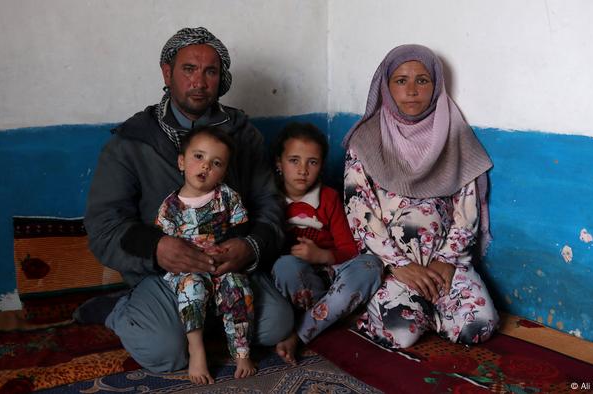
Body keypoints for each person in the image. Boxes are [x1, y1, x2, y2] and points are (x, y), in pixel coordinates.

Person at [77, 27, 293, 374]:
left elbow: (269, 204)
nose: (200, 81)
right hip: (165, 275)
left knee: (278, 326)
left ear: (221, 78)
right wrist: (158, 248)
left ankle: (208, 323)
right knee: (165, 355)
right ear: (167, 73)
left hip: (229, 269)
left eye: (210, 71)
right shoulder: (134, 141)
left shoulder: (242, 134)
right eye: (189, 69)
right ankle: (119, 310)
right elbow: (104, 225)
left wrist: (250, 246)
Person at [341, 44, 499, 349]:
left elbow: (467, 209)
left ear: (436, 84)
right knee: (400, 334)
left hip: (446, 261)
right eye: (401, 81)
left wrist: (447, 260)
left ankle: (428, 311)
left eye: (422, 80)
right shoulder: (365, 140)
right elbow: (360, 211)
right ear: (385, 87)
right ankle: (416, 311)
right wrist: (399, 264)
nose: (412, 90)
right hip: (393, 265)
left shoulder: (454, 134)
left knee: (479, 327)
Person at [270, 123, 383, 364]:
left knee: (371, 265)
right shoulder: (271, 199)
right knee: (285, 267)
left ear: (321, 166)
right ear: (279, 163)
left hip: (334, 273)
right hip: (303, 282)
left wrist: (321, 256)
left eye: (312, 162)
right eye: (294, 160)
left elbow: (349, 250)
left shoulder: (329, 197)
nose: (303, 170)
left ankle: (302, 333)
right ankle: (335, 314)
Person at [152, 127, 255, 383]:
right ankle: (196, 348)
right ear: (181, 161)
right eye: (198, 157)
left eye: (216, 163)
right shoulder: (170, 207)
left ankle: (241, 351)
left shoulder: (227, 197)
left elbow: (241, 229)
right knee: (192, 288)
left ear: (224, 171)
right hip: (187, 270)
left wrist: (230, 246)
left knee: (239, 286)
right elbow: (164, 244)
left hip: (220, 265)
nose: (206, 167)